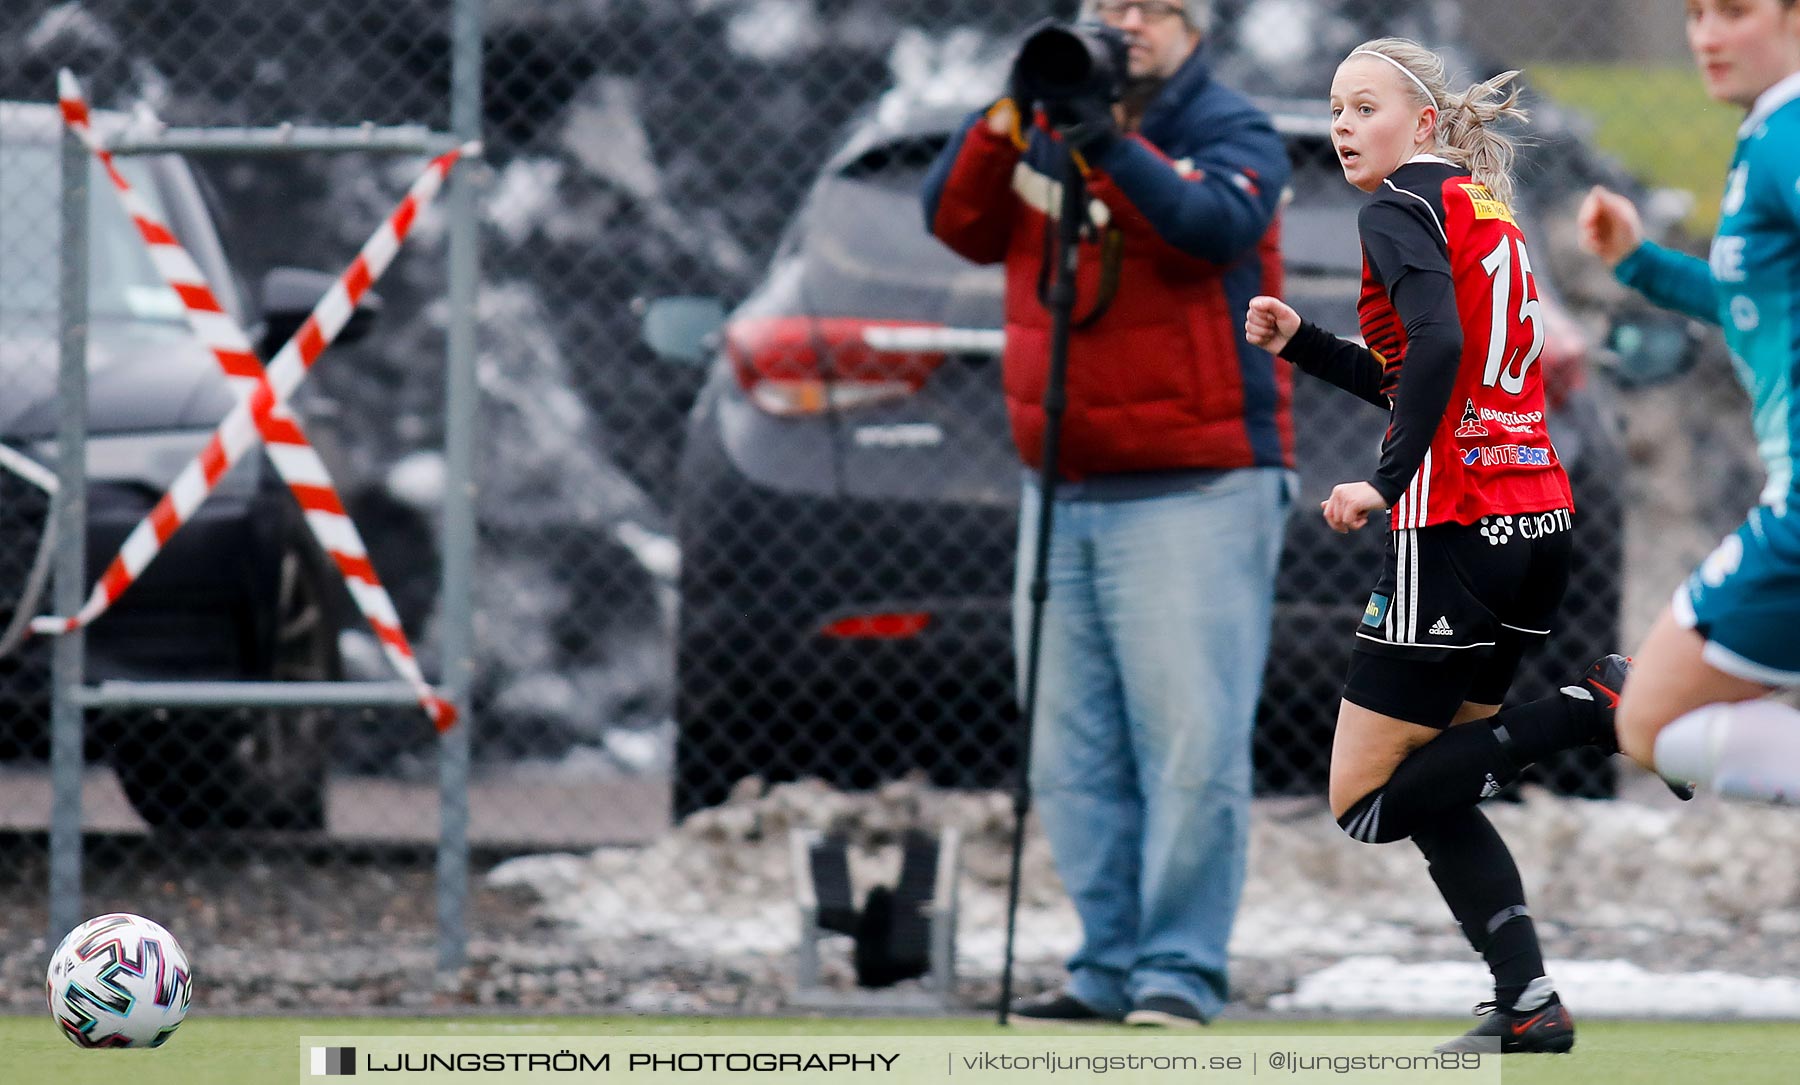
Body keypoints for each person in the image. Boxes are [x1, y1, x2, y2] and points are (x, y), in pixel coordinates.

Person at [1243, 38, 1644, 1054]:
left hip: (1459, 527)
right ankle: (1529, 999)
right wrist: (1306, 344)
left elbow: (1440, 350)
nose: (1343, 125)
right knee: (1437, 780)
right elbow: (1430, 367)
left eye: (1365, 105)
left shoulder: (1395, 206)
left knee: (1369, 800)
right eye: (1335, 106)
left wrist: (1383, 483)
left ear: (1423, 122)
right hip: (1537, 520)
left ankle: (1588, 709)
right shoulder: (1480, 207)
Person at [921, 0, 1292, 1027]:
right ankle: (1103, 964)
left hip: (1198, 484)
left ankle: (1176, 970)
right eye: (1103, 8)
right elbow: (955, 223)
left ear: (1190, 24)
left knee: (1190, 744)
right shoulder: (1037, 122)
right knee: (1070, 750)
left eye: (1145, 7)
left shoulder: (1231, 129)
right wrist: (1009, 110)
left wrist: (1109, 144)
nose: (1121, 25)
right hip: (1063, 483)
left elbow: (1208, 227)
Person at [1579, 0, 1800, 802]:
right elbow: (1758, 302)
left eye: (1734, 11)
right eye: (1696, 12)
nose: (1707, 34)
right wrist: (1641, 264)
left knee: (1652, 719)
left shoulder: (1790, 132)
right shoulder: (1768, 136)